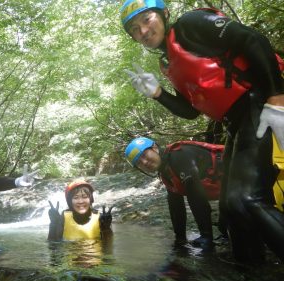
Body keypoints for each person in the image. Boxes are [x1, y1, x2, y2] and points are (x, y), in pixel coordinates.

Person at [120, 0, 284, 262]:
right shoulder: (168, 62)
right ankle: (251, 276)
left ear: (164, 14)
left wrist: (277, 97)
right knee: (231, 210)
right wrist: (158, 94)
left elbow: (251, 39)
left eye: (147, 20)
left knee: (248, 199)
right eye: (135, 30)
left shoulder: (190, 25)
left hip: (260, 100)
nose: (143, 32)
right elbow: (191, 111)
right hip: (237, 120)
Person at [125, 137, 225, 249]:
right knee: (225, 227)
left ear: (154, 148)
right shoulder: (166, 172)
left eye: (143, 155)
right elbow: (176, 206)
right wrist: (180, 238)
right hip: (228, 190)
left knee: (232, 216)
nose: (144, 162)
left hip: (239, 175)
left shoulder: (178, 156)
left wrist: (206, 236)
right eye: (139, 163)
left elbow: (196, 196)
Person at [47, 179, 113, 241]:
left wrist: (106, 229)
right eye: (76, 198)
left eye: (84, 197)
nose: (80, 201)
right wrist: (53, 224)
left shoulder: (101, 218)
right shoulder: (64, 217)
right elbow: (54, 247)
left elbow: (108, 248)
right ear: (70, 202)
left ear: (91, 199)